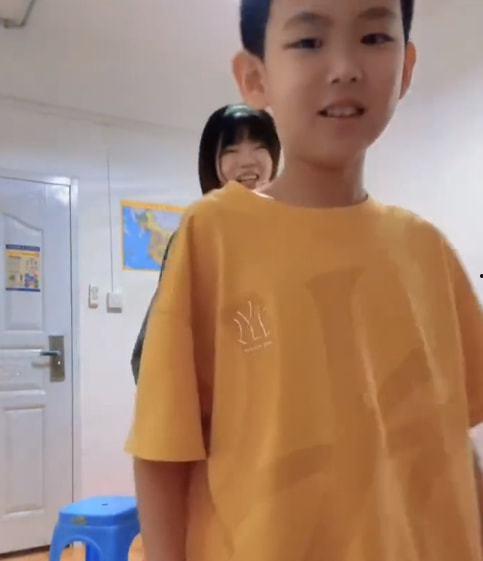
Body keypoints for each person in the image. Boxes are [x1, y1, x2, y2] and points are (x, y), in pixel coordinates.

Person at [127, 1, 483, 560]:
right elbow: (162, 448)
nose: (344, 67)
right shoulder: (211, 235)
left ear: (407, 68)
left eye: (373, 37)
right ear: (256, 77)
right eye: (309, 42)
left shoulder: (428, 252)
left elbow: (451, 438)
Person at [130, 104, 281, 383]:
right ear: (214, 163)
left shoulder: (293, 229)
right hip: (226, 394)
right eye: (232, 150)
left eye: (259, 147)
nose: (247, 161)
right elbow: (152, 349)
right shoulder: (197, 233)